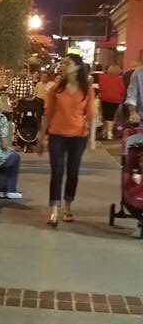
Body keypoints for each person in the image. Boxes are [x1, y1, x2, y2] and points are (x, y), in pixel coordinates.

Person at [37, 53, 95, 226]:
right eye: (62, 63)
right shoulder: (56, 89)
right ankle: (54, 209)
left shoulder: (87, 89)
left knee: (73, 171)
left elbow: (91, 116)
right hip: (57, 134)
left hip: (79, 136)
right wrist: (41, 137)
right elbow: (48, 114)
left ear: (77, 67)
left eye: (67, 63)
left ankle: (68, 206)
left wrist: (92, 139)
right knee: (57, 171)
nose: (62, 65)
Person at [97, 63, 125, 140]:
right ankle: (109, 133)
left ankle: (105, 131)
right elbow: (122, 90)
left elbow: (100, 87)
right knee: (111, 116)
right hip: (115, 100)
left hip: (104, 98)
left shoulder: (102, 77)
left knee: (105, 115)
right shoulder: (119, 79)